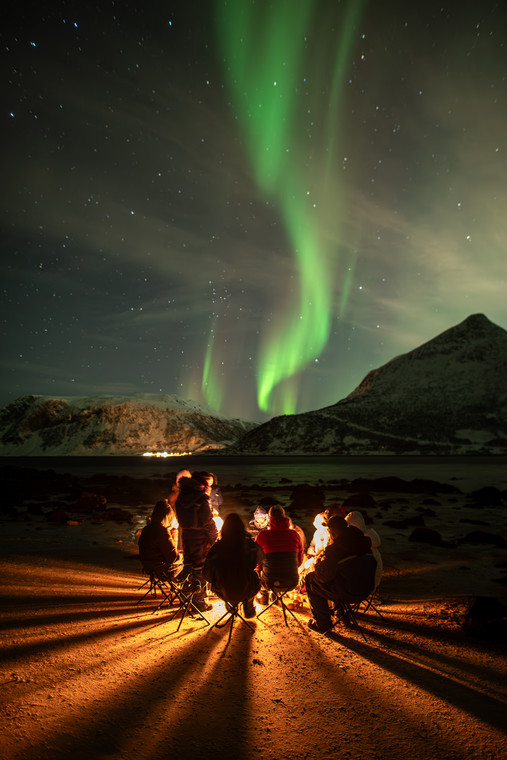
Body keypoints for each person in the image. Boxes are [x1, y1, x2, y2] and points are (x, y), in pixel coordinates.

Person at [305, 514, 377, 633]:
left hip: (347, 592)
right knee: (346, 575)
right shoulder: (363, 543)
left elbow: (323, 577)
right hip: (366, 590)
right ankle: (343, 616)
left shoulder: (335, 550)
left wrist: (318, 565)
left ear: (332, 532)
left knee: (310, 579)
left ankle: (323, 624)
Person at [175, 472, 218, 611]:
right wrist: (215, 539)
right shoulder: (201, 499)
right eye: (208, 485)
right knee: (201, 569)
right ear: (203, 485)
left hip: (187, 536)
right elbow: (208, 522)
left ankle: (185, 594)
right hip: (200, 538)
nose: (210, 487)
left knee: (189, 565)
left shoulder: (181, 498)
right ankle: (199, 602)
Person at [203, 512, 260, 618]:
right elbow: (256, 563)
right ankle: (248, 604)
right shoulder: (250, 545)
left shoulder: (217, 547)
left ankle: (231, 604)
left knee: (222, 580)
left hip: (223, 588)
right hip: (246, 588)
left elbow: (207, 573)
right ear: (242, 528)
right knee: (255, 575)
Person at [255, 505, 305, 604]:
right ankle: (275, 595)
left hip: (269, 582)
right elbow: (300, 560)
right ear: (284, 516)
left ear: (269, 518)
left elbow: (257, 561)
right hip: (292, 582)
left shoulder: (262, 535)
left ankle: (264, 595)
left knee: (259, 569)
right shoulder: (295, 535)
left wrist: (259, 568)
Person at [138, 500, 180, 576]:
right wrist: (183, 556)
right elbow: (173, 558)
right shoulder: (162, 531)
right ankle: (188, 586)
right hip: (162, 569)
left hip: (147, 566)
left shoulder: (147, 528)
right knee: (189, 563)